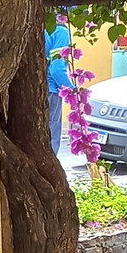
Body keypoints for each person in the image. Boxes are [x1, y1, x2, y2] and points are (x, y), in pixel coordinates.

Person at [45, 23, 74, 155]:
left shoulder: (43, 29)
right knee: (51, 134)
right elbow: (57, 70)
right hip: (51, 90)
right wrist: (73, 92)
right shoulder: (61, 32)